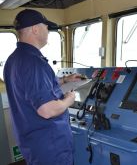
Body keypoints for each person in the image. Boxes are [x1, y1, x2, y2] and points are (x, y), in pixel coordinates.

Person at [4, 9, 81, 165]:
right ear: (35, 29)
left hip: (33, 141)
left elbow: (33, 87)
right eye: (46, 27)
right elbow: (47, 110)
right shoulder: (34, 62)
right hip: (51, 144)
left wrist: (65, 80)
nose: (48, 31)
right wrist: (68, 100)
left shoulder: (13, 60)